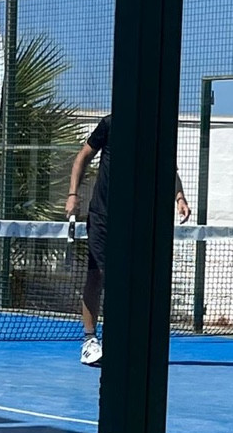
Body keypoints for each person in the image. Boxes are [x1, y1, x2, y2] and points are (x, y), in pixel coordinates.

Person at [66, 114, 190, 366]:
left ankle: (127, 340)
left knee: (128, 277)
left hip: (133, 220)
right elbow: (82, 157)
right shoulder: (110, 124)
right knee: (98, 275)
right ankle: (90, 341)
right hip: (101, 215)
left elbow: (169, 168)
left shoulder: (154, 129)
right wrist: (72, 195)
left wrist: (179, 197)